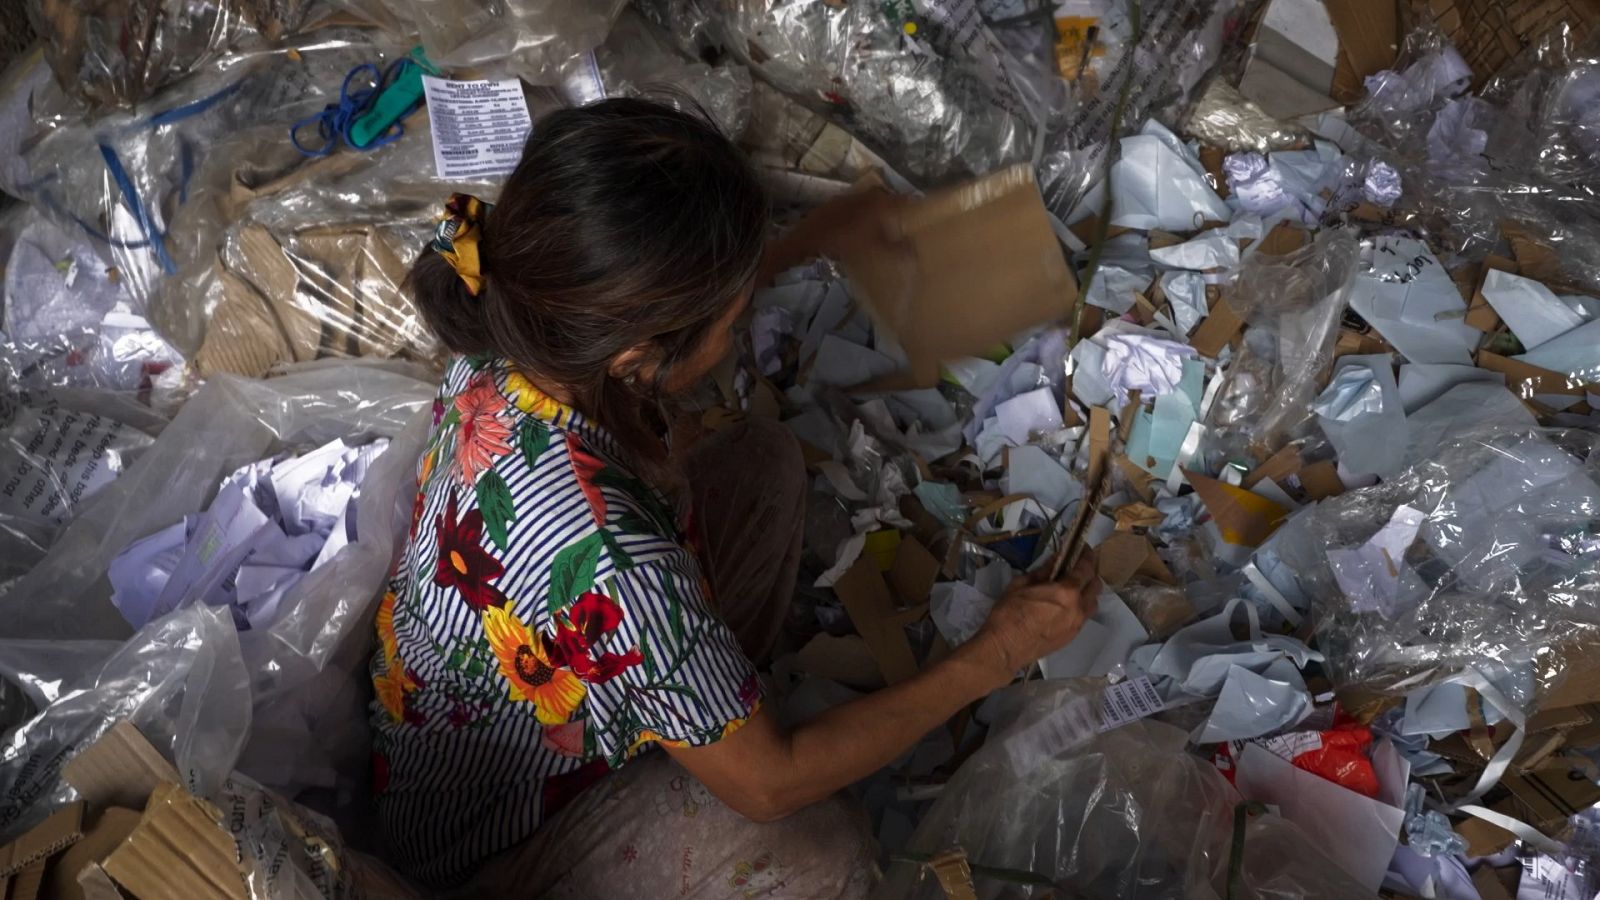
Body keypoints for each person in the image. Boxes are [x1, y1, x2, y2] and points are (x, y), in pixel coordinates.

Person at [370, 97, 1101, 898]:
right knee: (813, 846)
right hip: (496, 839)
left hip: (465, 723)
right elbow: (770, 785)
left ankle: (701, 709)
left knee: (761, 464)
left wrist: (812, 241)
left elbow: (657, 328)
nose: (742, 323)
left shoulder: (516, 318)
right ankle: (702, 735)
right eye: (732, 318)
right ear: (637, 353)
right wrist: (993, 656)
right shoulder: (611, 560)